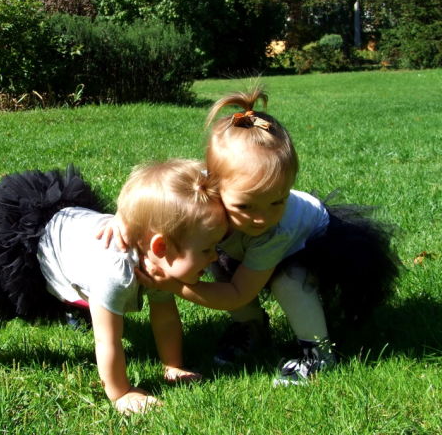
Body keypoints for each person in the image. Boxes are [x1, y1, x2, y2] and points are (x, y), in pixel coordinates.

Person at [135, 88, 400, 386]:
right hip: (242, 242)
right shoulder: (202, 191)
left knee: (290, 281)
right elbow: (154, 191)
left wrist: (174, 285)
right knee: (213, 259)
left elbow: (239, 293)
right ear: (212, 185)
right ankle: (250, 327)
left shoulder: (276, 227)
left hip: (313, 242)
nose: (261, 217)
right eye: (244, 205)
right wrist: (122, 223)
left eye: (277, 200)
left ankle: (318, 353)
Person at [0, 161, 227, 414]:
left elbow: (164, 318)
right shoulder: (115, 272)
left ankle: (75, 306)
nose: (215, 257)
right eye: (207, 250)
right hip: (19, 239)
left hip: (72, 239)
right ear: (160, 246)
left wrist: (172, 365)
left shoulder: (160, 266)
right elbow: (107, 340)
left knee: (87, 295)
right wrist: (121, 393)